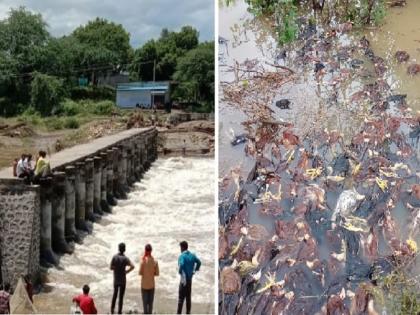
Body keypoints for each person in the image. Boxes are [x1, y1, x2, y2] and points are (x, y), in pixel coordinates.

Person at [177, 241, 201, 314]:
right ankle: (188, 313)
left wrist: (180, 271)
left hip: (183, 281)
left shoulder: (182, 256)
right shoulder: (192, 255)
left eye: (180, 247)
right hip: (190, 280)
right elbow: (199, 262)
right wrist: (195, 270)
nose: (180, 249)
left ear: (182, 247)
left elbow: (182, 264)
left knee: (181, 299)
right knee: (188, 298)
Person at [110, 243, 134, 314]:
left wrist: (116, 269)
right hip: (123, 280)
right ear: (124, 249)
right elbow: (132, 266)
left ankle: (112, 310)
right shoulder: (125, 259)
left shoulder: (114, 257)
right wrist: (126, 271)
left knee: (115, 294)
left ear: (118, 248)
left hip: (116, 279)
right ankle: (119, 311)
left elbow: (111, 267)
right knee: (121, 297)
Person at [139, 244, 159, 314]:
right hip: (151, 285)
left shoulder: (143, 261)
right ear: (151, 251)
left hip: (144, 285)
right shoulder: (155, 261)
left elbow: (140, 273)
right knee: (150, 303)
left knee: (145, 303)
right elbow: (157, 274)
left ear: (145, 250)